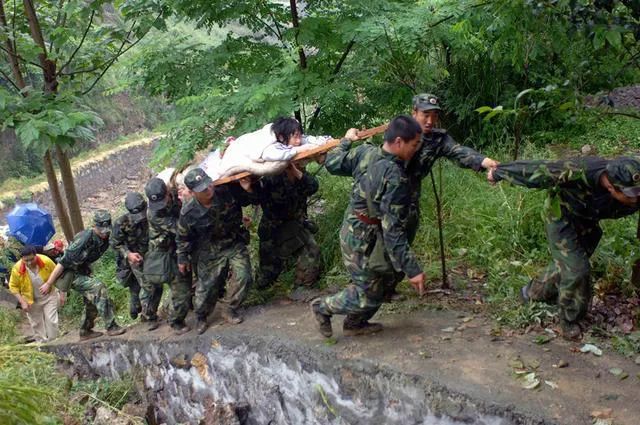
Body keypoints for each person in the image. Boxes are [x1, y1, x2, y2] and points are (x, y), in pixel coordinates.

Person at [489, 156, 640, 339]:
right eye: (631, 194)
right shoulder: (579, 170)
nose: (636, 198)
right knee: (577, 269)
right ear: (610, 186)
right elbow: (537, 170)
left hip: (587, 219)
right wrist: (499, 172)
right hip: (561, 215)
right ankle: (569, 319)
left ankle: (531, 292)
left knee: (569, 264)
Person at [311, 116, 426, 338]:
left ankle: (355, 323)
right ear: (399, 142)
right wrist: (413, 270)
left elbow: (332, 163)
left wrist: (346, 141)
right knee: (368, 292)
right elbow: (392, 229)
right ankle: (322, 307)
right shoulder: (394, 176)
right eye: (414, 145)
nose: (416, 150)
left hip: (370, 231)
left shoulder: (364, 152)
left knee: (384, 280)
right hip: (358, 234)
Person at [177, 168, 257, 334]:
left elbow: (251, 200)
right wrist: (183, 259)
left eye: (209, 185)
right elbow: (183, 238)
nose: (208, 190)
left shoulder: (226, 192)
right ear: (192, 193)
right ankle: (201, 316)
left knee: (245, 276)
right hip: (211, 249)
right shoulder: (188, 213)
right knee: (206, 287)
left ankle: (229, 308)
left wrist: (248, 188)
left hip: (234, 242)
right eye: (203, 189)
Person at [254, 120, 321, 290]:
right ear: (282, 138)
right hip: (274, 226)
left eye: (300, 136)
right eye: (295, 136)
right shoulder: (271, 169)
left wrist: (296, 172)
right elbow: (258, 197)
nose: (299, 141)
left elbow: (312, 187)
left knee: (311, 253)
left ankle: (302, 289)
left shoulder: (298, 165)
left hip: (295, 222)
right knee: (268, 273)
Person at [41, 210, 126, 340]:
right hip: (69, 274)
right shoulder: (84, 239)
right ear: (94, 226)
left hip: (82, 271)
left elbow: (118, 244)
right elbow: (62, 263)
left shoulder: (107, 236)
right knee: (99, 288)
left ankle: (85, 330)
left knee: (91, 299)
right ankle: (111, 326)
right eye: (101, 229)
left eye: (106, 229)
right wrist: (48, 283)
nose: (104, 233)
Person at [144, 177, 191, 334]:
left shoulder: (175, 192)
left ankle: (186, 307)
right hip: (164, 253)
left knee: (186, 282)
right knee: (180, 286)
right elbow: (179, 229)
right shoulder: (153, 213)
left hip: (181, 245)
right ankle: (175, 320)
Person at [110, 192, 150, 320]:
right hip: (132, 258)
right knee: (144, 284)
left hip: (149, 253)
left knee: (140, 283)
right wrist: (128, 254)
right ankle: (147, 314)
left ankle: (138, 307)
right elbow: (115, 243)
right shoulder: (121, 223)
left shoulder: (151, 212)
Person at [8, 245, 59, 342]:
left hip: (49, 296)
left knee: (51, 321)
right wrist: (22, 302)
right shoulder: (17, 268)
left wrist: (51, 285)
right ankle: (41, 346)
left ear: (36, 255)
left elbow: (57, 273)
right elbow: (13, 286)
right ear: (22, 258)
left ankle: (54, 342)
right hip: (31, 301)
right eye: (26, 260)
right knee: (37, 324)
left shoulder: (46, 261)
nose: (29, 262)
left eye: (31, 259)